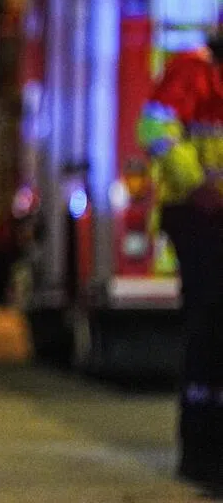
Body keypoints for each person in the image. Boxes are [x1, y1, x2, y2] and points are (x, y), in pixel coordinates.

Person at [138, 34, 223, 497]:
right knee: (209, 328)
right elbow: (155, 131)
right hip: (199, 217)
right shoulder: (192, 72)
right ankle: (202, 451)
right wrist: (196, 184)